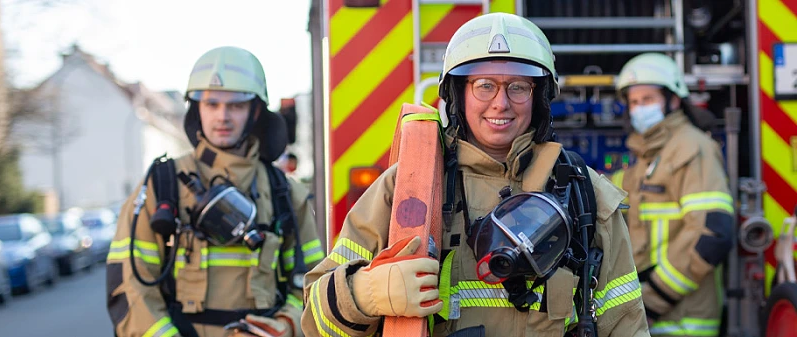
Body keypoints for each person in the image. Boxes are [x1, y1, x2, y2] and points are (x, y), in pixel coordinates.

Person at [301, 13, 649, 337]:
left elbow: (627, 323)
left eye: (518, 87)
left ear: (538, 97)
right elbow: (315, 322)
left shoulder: (583, 193)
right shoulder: (407, 188)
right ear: (459, 94)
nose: (501, 103)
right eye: (485, 85)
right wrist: (367, 294)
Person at [106, 46, 324, 337]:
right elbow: (129, 287)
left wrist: (284, 326)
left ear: (255, 110)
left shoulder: (286, 194)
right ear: (197, 108)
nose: (222, 116)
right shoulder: (162, 187)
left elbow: (315, 286)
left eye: (235, 105)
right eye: (211, 104)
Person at [610, 53, 735, 337]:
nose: (640, 109)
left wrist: (652, 300)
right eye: (634, 102)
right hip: (650, 318)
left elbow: (712, 232)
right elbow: (616, 192)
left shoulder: (691, 148)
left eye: (648, 100)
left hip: (682, 320)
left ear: (674, 101)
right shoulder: (648, 156)